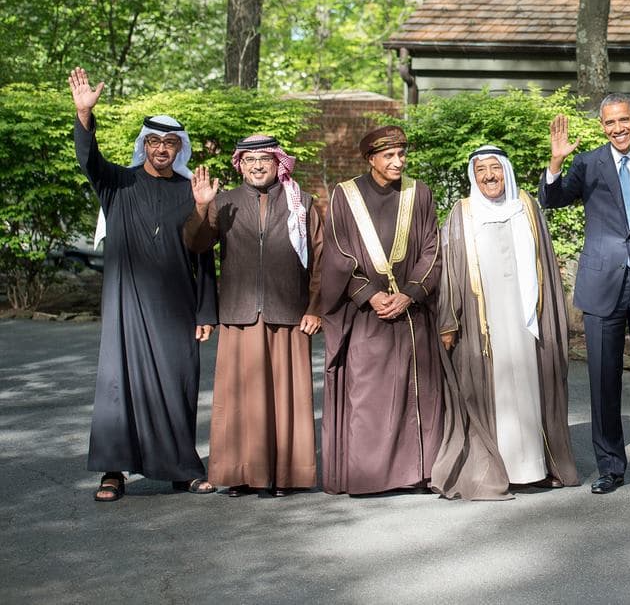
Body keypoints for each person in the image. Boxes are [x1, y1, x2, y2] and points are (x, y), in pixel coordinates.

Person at [69, 67, 217, 502]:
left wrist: (207, 310)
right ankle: (113, 472)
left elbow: (204, 252)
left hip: (176, 304)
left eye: (170, 143)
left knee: (179, 382)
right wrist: (83, 115)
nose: (162, 149)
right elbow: (87, 160)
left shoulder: (193, 190)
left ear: (179, 148)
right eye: (154, 142)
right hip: (126, 304)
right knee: (120, 383)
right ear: (144, 145)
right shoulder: (118, 183)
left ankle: (181, 469)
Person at [539, 94, 630, 494]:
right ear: (602, 125)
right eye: (609, 123)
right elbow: (551, 200)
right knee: (603, 381)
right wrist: (556, 162)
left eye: (624, 120)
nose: (617, 128)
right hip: (602, 284)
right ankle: (611, 466)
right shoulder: (588, 164)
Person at [431, 146, 579, 499]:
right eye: (481, 170)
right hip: (484, 325)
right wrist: (449, 320)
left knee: (529, 387)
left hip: (528, 321)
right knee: (492, 391)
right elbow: (450, 272)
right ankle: (496, 469)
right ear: (473, 176)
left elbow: (546, 265)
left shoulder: (526, 207)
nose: (488, 176)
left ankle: (534, 468)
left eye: (495, 168)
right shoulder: (462, 213)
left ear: (506, 172)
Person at [183, 135, 324, 497]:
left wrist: (315, 307)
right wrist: (201, 208)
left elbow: (322, 260)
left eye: (264, 159)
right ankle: (242, 474)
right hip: (239, 314)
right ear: (240, 165)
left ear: (279, 163)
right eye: (249, 160)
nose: (257, 165)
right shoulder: (223, 203)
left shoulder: (303, 204)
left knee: (285, 399)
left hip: (288, 315)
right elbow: (196, 244)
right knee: (239, 399)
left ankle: (283, 475)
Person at [320, 125, 443, 495]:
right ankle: (369, 476)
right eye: (388, 155)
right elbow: (336, 251)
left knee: (415, 394)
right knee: (367, 393)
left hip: (410, 313)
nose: (397, 162)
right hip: (366, 315)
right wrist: (369, 294)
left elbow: (432, 250)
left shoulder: (419, 193)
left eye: (402, 154)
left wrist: (410, 293)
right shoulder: (345, 195)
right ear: (370, 158)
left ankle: (416, 474)